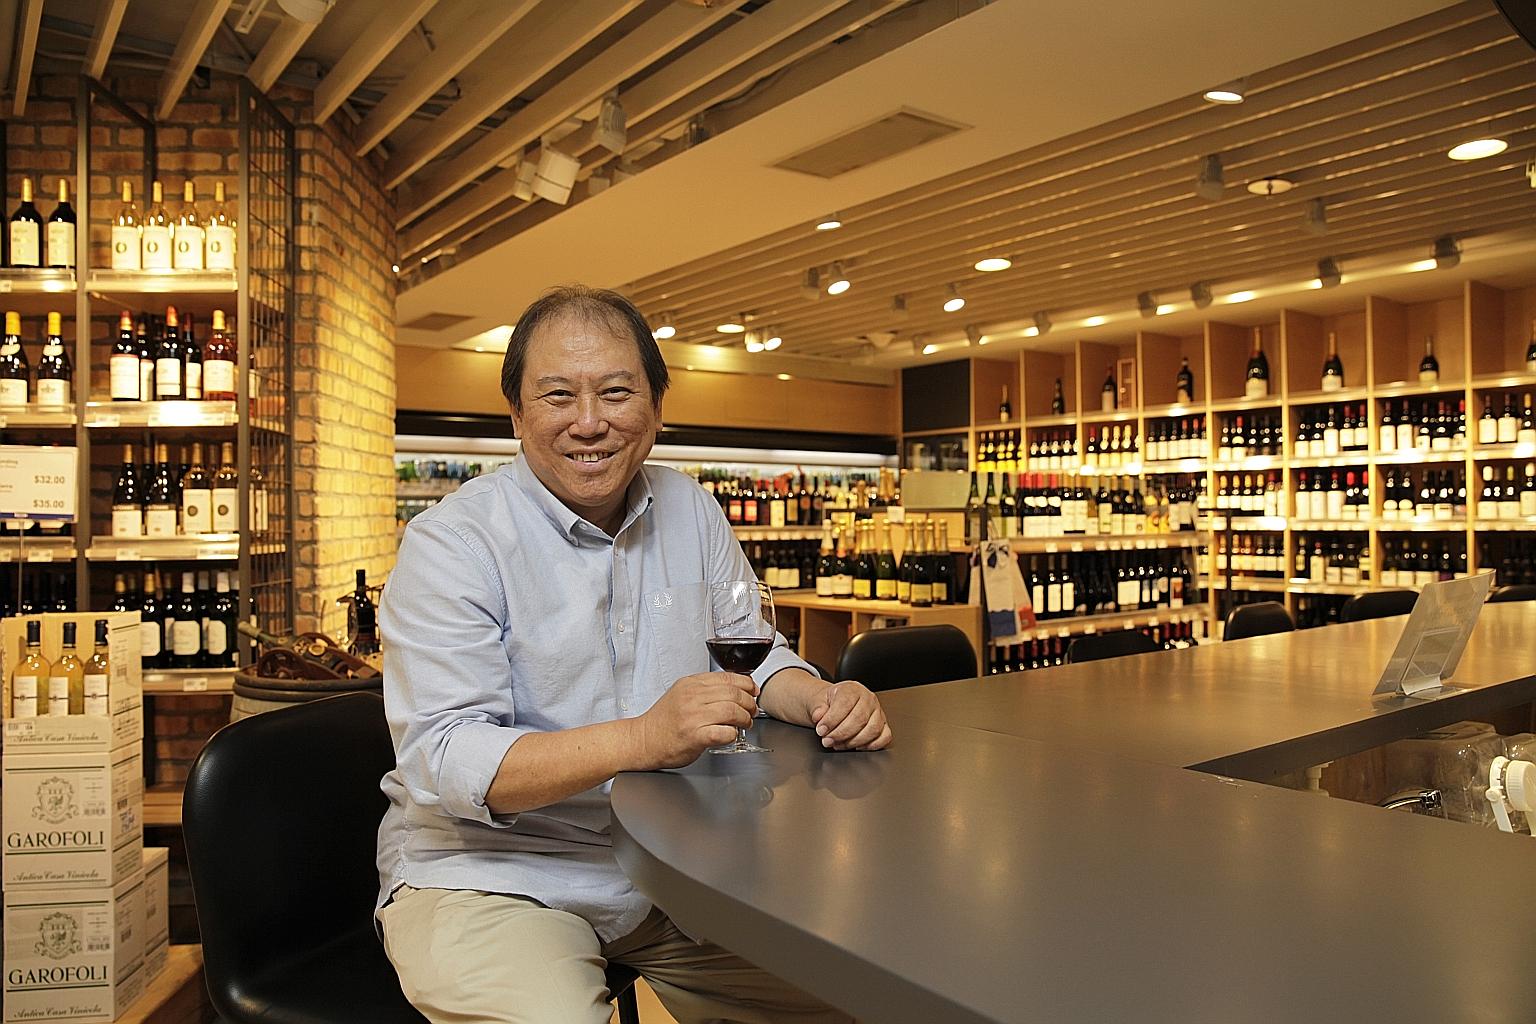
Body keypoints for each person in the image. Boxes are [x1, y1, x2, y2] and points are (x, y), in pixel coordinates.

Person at [376, 284, 892, 1024]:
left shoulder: (691, 507)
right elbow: (448, 757)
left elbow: (751, 655)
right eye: (558, 396)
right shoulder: (452, 543)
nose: (590, 423)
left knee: (846, 998)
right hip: (492, 874)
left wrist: (820, 698)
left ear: (655, 409)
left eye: (616, 393)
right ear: (517, 415)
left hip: (673, 864)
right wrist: (645, 738)